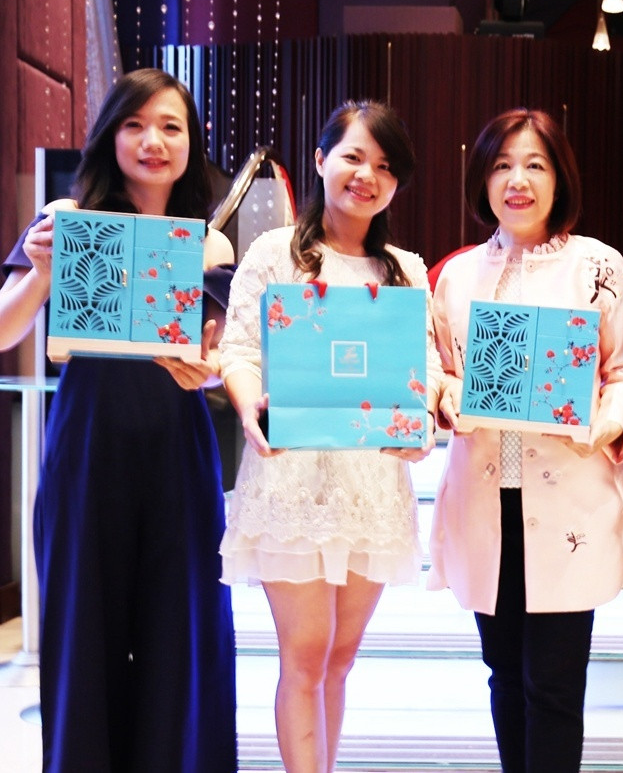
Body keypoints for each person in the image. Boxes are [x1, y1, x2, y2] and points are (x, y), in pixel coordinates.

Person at [0, 68, 237, 772]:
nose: (152, 141)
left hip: (177, 447)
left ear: (192, 144)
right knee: (84, 623)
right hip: (89, 442)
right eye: (134, 125)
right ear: (110, 136)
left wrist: (210, 372)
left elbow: (219, 356)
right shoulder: (65, 218)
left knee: (182, 626)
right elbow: (5, 329)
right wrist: (43, 272)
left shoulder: (209, 244)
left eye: (170, 126)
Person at [218, 100, 443, 773]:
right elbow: (239, 351)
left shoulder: (405, 271)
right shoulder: (276, 254)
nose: (366, 176)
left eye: (384, 166)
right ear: (321, 160)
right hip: (291, 477)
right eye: (353, 157)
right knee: (306, 653)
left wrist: (423, 421)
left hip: (370, 486)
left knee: (340, 659)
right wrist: (250, 412)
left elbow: (426, 368)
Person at [429, 108, 623, 773]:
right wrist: (445, 399)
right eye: (502, 165)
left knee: (554, 685)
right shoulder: (457, 276)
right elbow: (441, 368)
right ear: (482, 178)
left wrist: (608, 422)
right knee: (503, 673)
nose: (517, 180)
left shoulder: (598, 267)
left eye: (534, 165)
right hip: (486, 500)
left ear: (560, 178)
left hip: (569, 500)